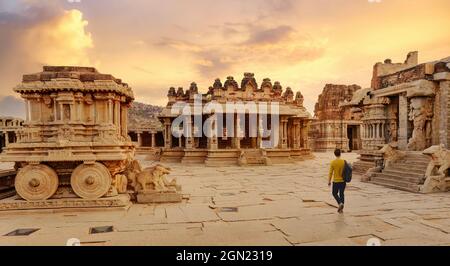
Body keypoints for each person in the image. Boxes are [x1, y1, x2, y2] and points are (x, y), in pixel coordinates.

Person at [328, 148, 346, 213]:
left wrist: (329, 181)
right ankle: (341, 207)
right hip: (343, 181)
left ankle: (339, 203)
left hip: (336, 181)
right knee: (342, 194)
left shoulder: (333, 162)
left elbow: (330, 172)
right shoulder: (343, 162)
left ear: (334, 154)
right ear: (340, 154)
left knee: (334, 193)